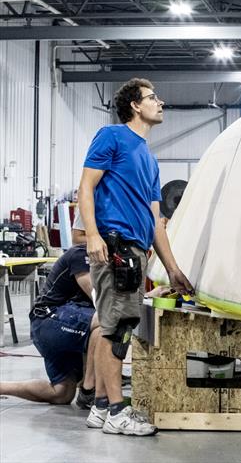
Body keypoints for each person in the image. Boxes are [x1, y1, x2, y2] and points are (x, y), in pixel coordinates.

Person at [78, 78, 193, 436]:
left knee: (114, 326)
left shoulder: (149, 158)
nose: (160, 102)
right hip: (114, 247)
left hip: (135, 251)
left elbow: (156, 221)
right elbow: (86, 186)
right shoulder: (112, 137)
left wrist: (172, 269)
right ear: (134, 105)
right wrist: (93, 235)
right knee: (117, 330)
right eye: (152, 97)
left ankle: (100, 407)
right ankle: (116, 412)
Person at [0, 245, 100, 408]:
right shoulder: (81, 255)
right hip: (48, 319)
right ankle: (89, 391)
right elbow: (98, 300)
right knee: (105, 320)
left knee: (62, 393)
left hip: (65, 321)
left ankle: (2, 387)